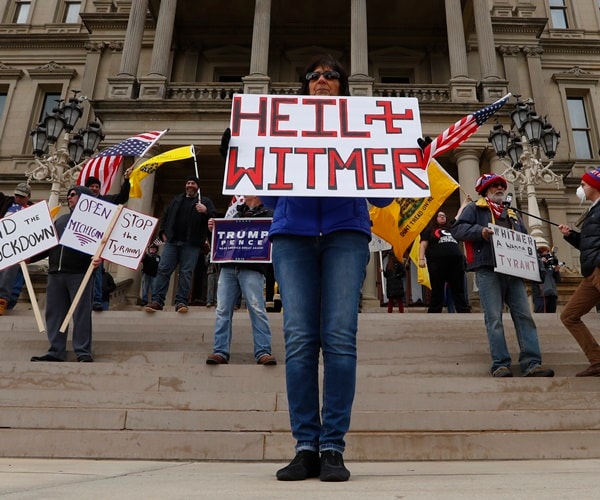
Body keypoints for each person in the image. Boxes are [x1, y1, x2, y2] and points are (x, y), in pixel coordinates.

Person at [222, 55, 392, 482]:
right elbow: (265, 192)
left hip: (346, 233)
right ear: (304, 86)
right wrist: (242, 156)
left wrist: (404, 159)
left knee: (339, 337)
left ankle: (332, 447)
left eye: (330, 75)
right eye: (313, 76)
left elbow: (385, 201)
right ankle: (305, 447)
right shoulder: (282, 126)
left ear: (342, 86)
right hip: (293, 235)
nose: (321, 80)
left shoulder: (363, 126)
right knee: (298, 340)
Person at [451, 173, 554, 378]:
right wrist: (481, 232)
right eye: (494, 186)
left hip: (514, 272)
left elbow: (525, 241)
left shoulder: (512, 214)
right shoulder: (474, 208)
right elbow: (458, 230)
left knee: (525, 317)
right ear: (484, 190)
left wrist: (538, 269)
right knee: (494, 319)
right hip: (488, 270)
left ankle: (532, 363)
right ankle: (500, 364)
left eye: (501, 185)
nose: (499, 188)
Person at [30, 186, 100, 362]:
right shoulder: (60, 220)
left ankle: (83, 351)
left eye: (73, 194)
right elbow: (48, 245)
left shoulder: (94, 222)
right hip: (55, 274)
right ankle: (56, 351)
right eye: (68, 194)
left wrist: (99, 261)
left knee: (81, 314)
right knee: (54, 314)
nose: (69, 197)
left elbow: (102, 247)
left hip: (79, 273)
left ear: (84, 198)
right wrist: (28, 257)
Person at [205, 196, 276, 365]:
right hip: (229, 267)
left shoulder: (270, 214)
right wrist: (212, 230)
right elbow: (222, 240)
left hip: (252, 268)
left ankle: (263, 351)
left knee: (257, 308)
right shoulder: (235, 215)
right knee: (222, 310)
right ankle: (220, 351)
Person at [145, 177, 216, 313]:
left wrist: (206, 211)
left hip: (192, 243)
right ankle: (157, 301)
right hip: (172, 242)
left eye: (193, 183)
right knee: (164, 269)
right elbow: (166, 216)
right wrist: (163, 232)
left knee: (186, 273)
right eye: (188, 183)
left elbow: (213, 218)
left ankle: (181, 302)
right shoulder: (176, 200)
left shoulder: (205, 202)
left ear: (198, 187)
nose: (190, 185)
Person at [559, 167, 600, 376]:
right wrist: (571, 236)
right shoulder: (594, 210)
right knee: (569, 315)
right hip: (591, 272)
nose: (580, 188)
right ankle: (597, 360)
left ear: (594, 186)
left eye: (583, 184)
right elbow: (590, 244)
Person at [85, 170, 132, 311]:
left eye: (96, 186)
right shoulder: (80, 202)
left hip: (98, 243)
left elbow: (123, 197)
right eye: (91, 186)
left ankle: (96, 300)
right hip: (81, 242)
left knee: (97, 272)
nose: (94, 188)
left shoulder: (106, 200)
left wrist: (126, 180)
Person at [419, 207, 471, 313]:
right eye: (440, 215)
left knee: (458, 288)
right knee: (437, 288)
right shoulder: (429, 230)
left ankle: (463, 310)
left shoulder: (451, 228)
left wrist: (466, 202)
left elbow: (458, 215)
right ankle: (434, 311)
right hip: (437, 263)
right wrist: (421, 259)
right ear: (435, 218)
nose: (442, 217)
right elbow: (423, 245)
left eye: (444, 215)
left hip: (456, 262)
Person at [0, 182, 34, 315]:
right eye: (17, 195)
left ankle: (2, 300)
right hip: (2, 241)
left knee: (10, 273)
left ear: (28, 197)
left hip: (17, 248)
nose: (18, 198)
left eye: (22, 196)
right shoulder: (6, 202)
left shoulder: (33, 210)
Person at [531, 246, 561, 313]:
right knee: (540, 315)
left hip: (552, 294)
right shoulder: (535, 264)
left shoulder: (550, 268)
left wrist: (556, 271)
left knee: (551, 316)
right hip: (541, 295)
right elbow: (541, 275)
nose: (547, 258)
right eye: (545, 255)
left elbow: (558, 280)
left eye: (548, 255)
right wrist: (541, 263)